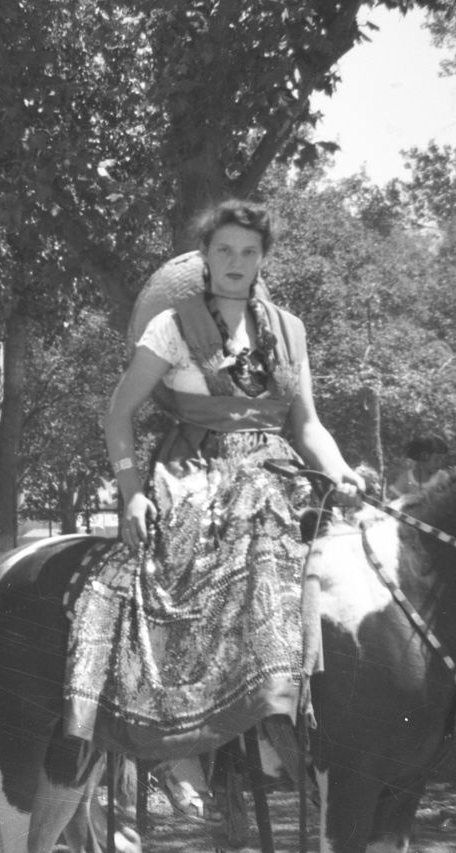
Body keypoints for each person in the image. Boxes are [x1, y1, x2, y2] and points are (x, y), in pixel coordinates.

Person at [65, 199, 365, 758]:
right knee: (222, 541)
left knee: (347, 554)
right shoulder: (173, 327)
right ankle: (238, 719)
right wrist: (131, 495)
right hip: (195, 470)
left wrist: (341, 470)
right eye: (223, 249)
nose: (236, 261)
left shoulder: (290, 332)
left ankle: (313, 697)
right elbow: (118, 415)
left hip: (278, 468)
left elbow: (309, 426)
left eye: (248, 252)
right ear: (204, 255)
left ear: (262, 261)